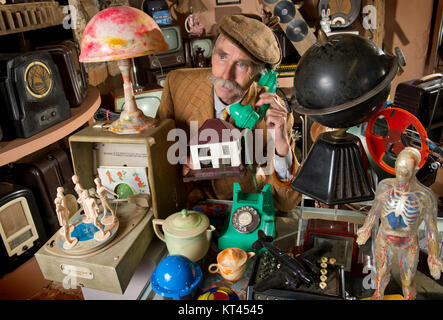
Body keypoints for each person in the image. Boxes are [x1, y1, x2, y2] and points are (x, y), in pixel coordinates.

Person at [157, 14, 302, 211]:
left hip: (245, 213)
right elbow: (158, 153)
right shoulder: (177, 84)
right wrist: (178, 162)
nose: (226, 75)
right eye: (222, 57)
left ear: (261, 75)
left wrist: (281, 144)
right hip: (188, 212)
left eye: (242, 65)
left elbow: (287, 203)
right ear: (212, 54)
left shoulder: (274, 114)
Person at [356, 147, 443, 300]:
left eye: (406, 172)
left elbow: (431, 229)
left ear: (416, 169)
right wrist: (366, 228)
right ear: (395, 165)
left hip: (408, 243)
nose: (401, 175)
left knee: (407, 281)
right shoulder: (385, 186)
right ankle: (378, 296)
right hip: (384, 239)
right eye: (398, 169)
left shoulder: (425, 196)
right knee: (381, 275)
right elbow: (375, 211)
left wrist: (433, 256)